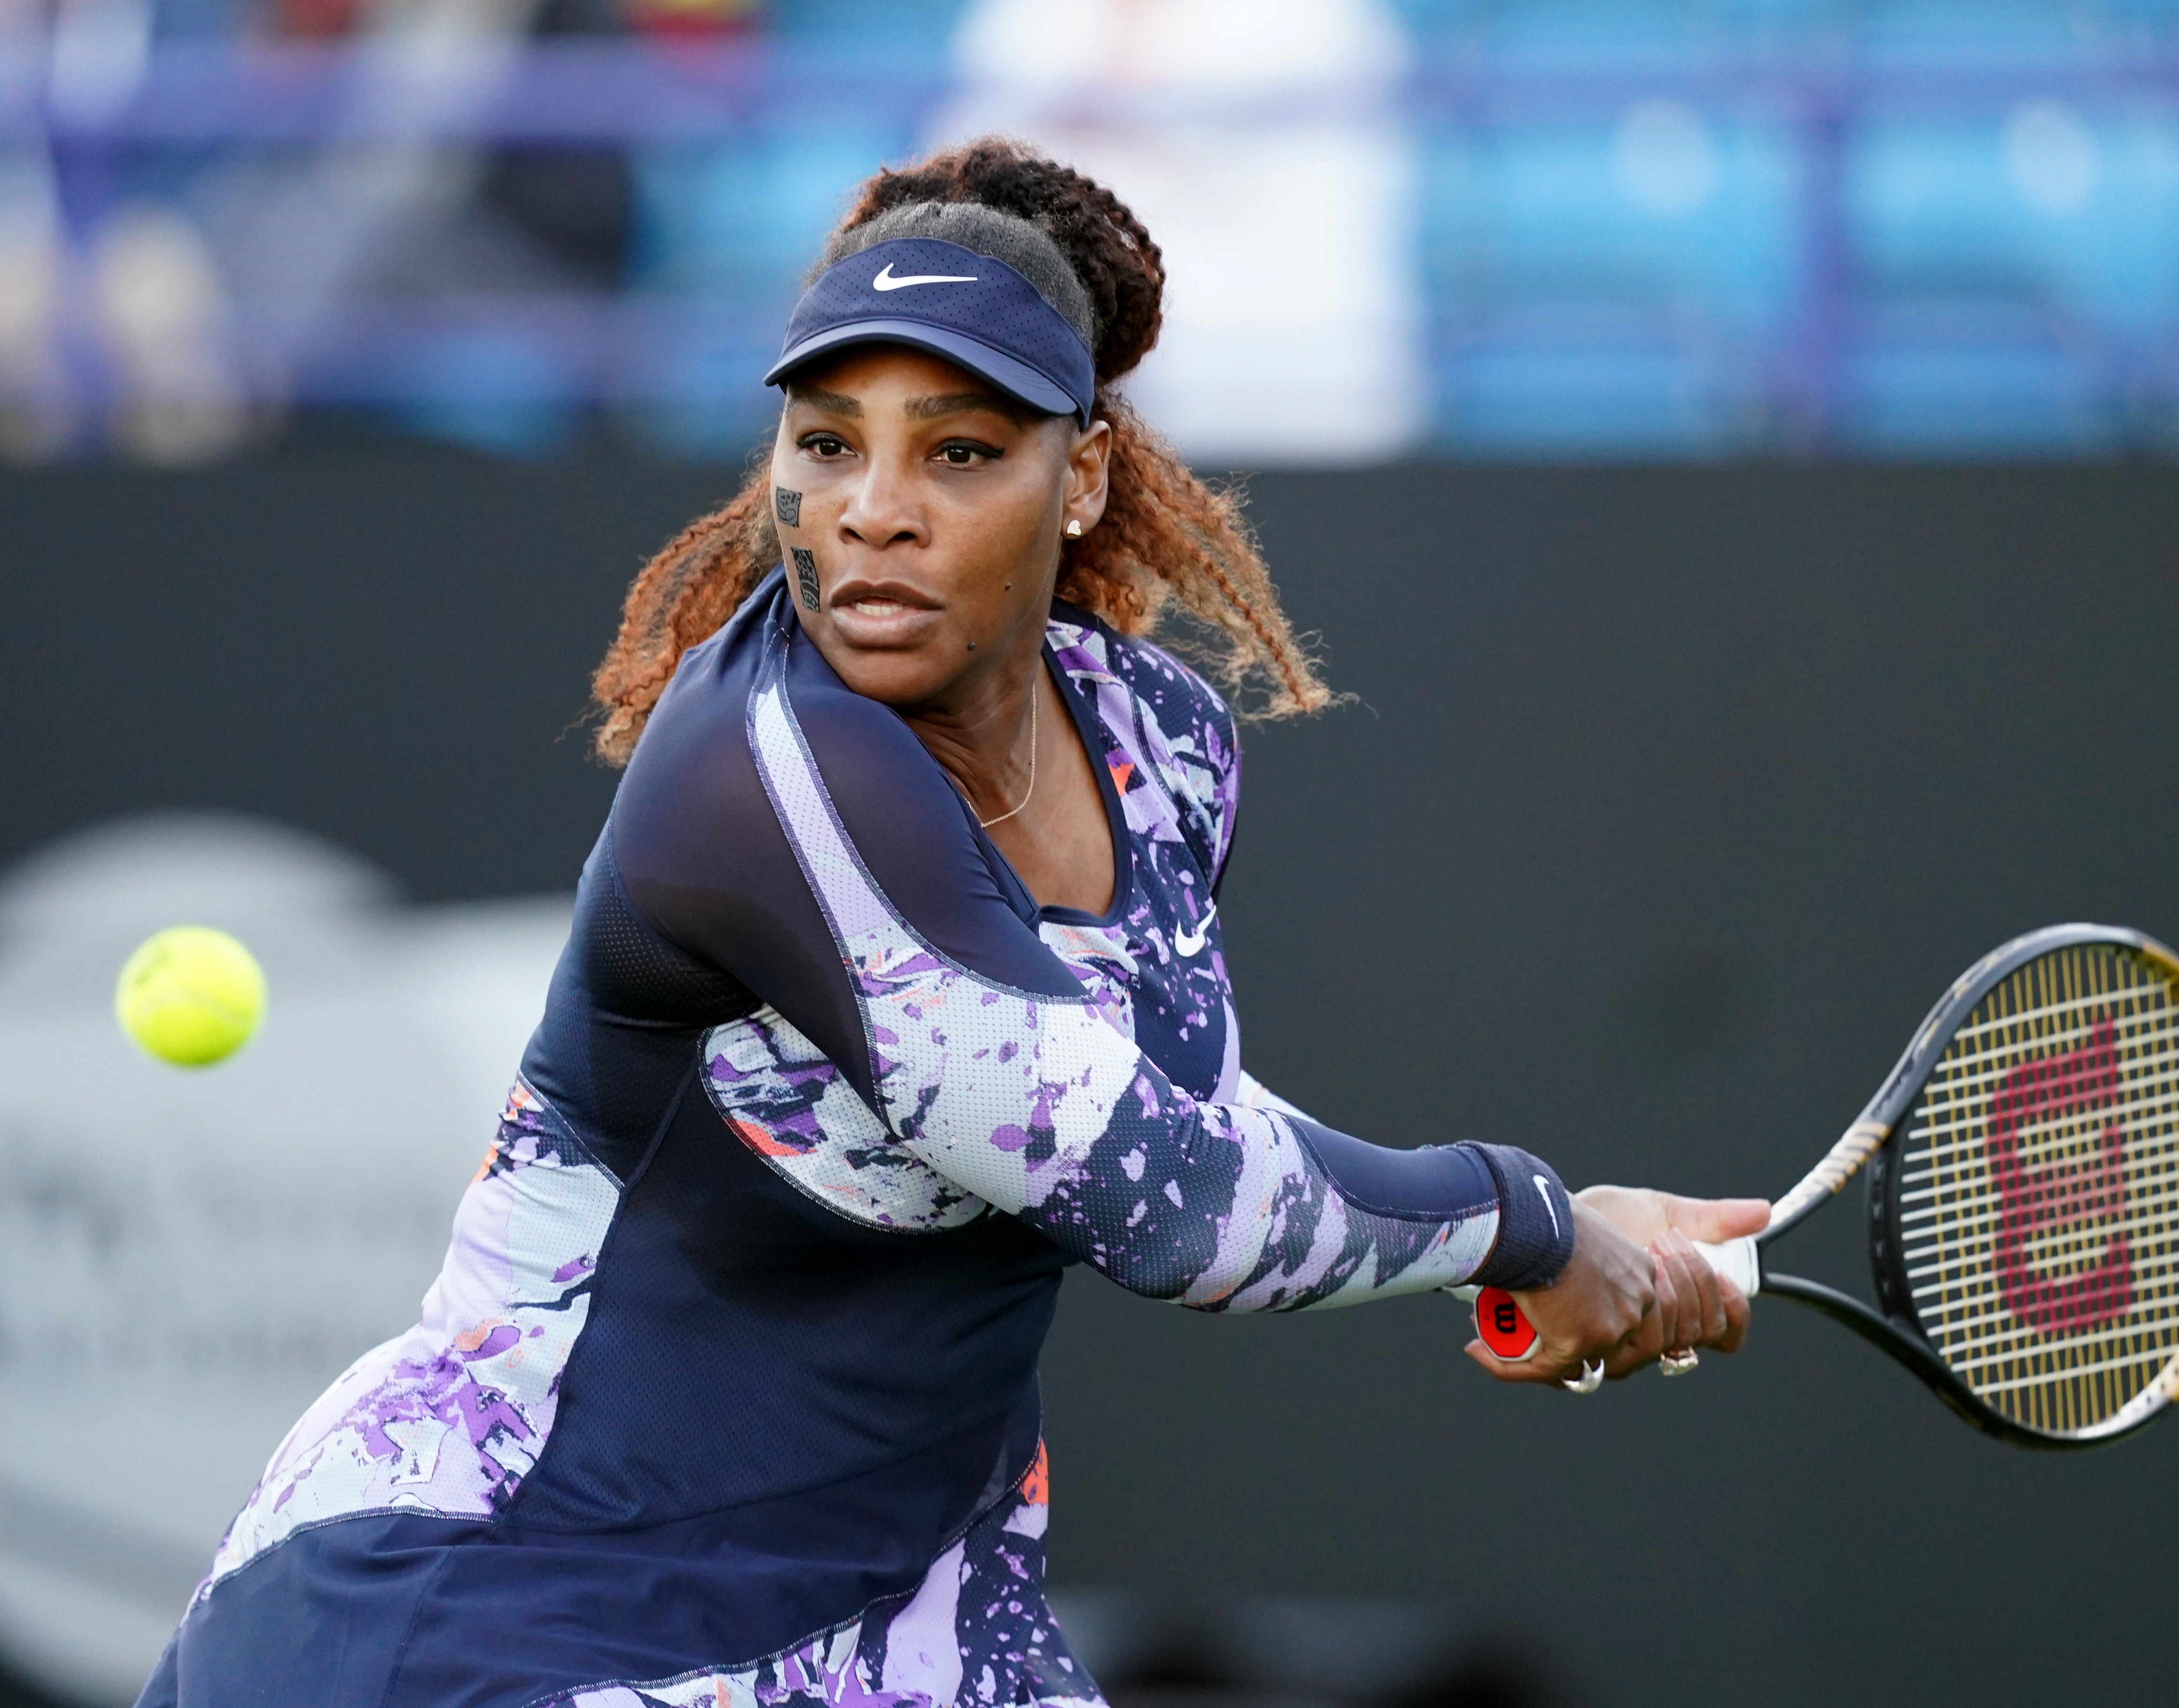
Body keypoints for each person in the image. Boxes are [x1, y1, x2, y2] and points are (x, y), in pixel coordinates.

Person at [140, 138, 1767, 1708]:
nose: (873, 508)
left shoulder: (1161, 749)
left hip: (898, 1619)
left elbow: (1154, 1104)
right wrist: (1519, 1220)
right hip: (503, 1613)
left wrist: (1575, 1226)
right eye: (828, 442)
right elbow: (1166, 1198)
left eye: (961, 450)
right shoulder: (764, 772)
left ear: (1087, 476)